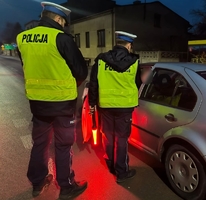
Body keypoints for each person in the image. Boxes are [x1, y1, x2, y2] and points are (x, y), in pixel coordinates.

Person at [16, 2, 88, 199]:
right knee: (63, 145)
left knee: (40, 143)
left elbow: (26, 65)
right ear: (57, 18)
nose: (64, 25)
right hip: (63, 104)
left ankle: (38, 182)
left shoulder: (22, 38)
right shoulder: (61, 39)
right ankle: (66, 186)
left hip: (38, 104)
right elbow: (81, 71)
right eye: (63, 22)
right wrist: (70, 85)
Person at [88, 31, 146, 183]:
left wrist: (92, 103)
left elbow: (93, 83)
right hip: (125, 107)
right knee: (121, 139)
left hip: (105, 106)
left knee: (108, 135)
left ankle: (110, 164)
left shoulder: (101, 60)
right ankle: (121, 171)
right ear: (128, 45)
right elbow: (138, 84)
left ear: (116, 44)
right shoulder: (134, 62)